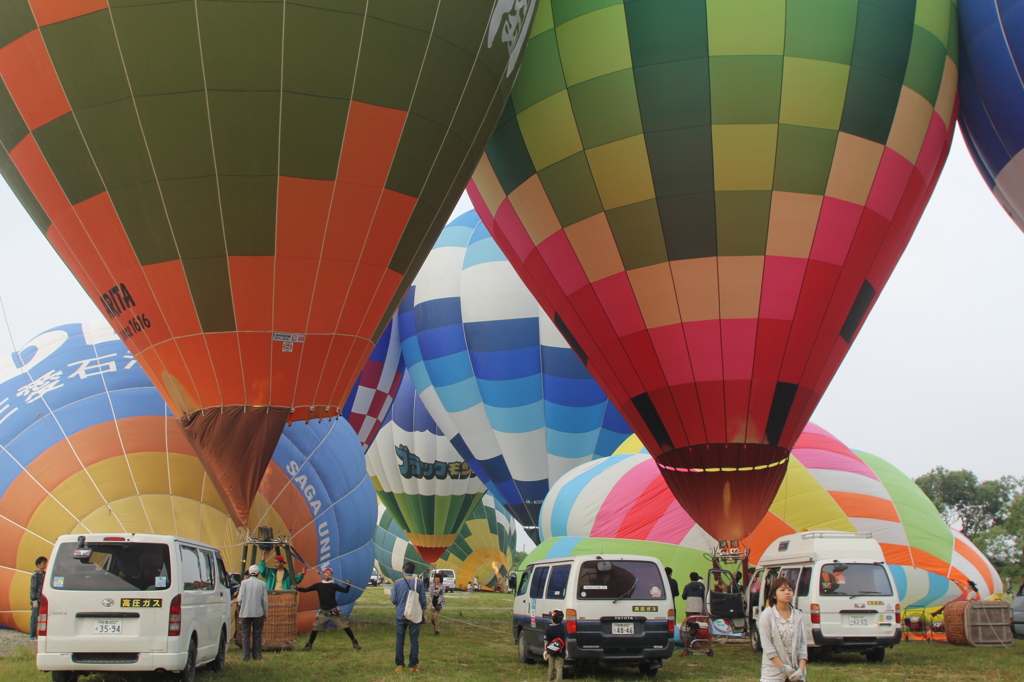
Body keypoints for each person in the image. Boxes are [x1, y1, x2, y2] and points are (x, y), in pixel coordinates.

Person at [297, 568, 361, 651]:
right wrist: (296, 588)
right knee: (315, 629)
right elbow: (305, 590)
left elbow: (345, 591)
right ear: (323, 574)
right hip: (324, 613)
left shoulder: (333, 585)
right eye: (326, 572)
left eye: (330, 573)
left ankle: (355, 643)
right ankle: (309, 646)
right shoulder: (318, 585)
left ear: (332, 576)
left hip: (334, 612)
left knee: (345, 626)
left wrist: (348, 585)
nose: (328, 574)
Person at [758, 577, 808, 682]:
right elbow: (767, 646)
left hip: (796, 673)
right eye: (782, 590)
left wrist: (800, 669)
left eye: (790, 590)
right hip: (773, 673)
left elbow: (803, 645)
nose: (787, 593)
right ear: (774, 595)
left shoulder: (798, 615)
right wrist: (783, 668)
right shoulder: (767, 615)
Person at [390, 560, 427, 672]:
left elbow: (394, 600)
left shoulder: (397, 583)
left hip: (401, 615)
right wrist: (424, 614)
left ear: (404, 570)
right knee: (414, 641)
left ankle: (399, 666)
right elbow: (423, 600)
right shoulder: (419, 582)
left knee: (400, 640)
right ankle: (413, 666)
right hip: (414, 615)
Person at [236, 564, 269, 662]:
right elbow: (265, 601)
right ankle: (257, 656)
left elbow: (240, 599)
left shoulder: (244, 583)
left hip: (245, 613)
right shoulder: (262, 584)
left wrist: (242, 605)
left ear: (249, 573)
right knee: (257, 635)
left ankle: (246, 656)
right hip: (258, 613)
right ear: (258, 573)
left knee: (245, 635)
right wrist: (265, 613)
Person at [543, 609, 568, 682]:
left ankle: (550, 680)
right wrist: (566, 649)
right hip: (561, 650)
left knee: (551, 666)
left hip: (551, 650)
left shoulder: (549, 628)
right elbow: (566, 639)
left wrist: (545, 650)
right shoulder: (563, 627)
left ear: (553, 619)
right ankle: (558, 680)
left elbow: (546, 641)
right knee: (559, 667)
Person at [29, 556, 47, 640]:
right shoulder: (35, 575)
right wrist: (34, 600)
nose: (45, 565)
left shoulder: (45, 574)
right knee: (35, 618)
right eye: (43, 563)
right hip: (37, 600)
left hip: (44, 599)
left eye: (45, 563)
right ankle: (32, 635)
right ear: (38, 565)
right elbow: (33, 588)